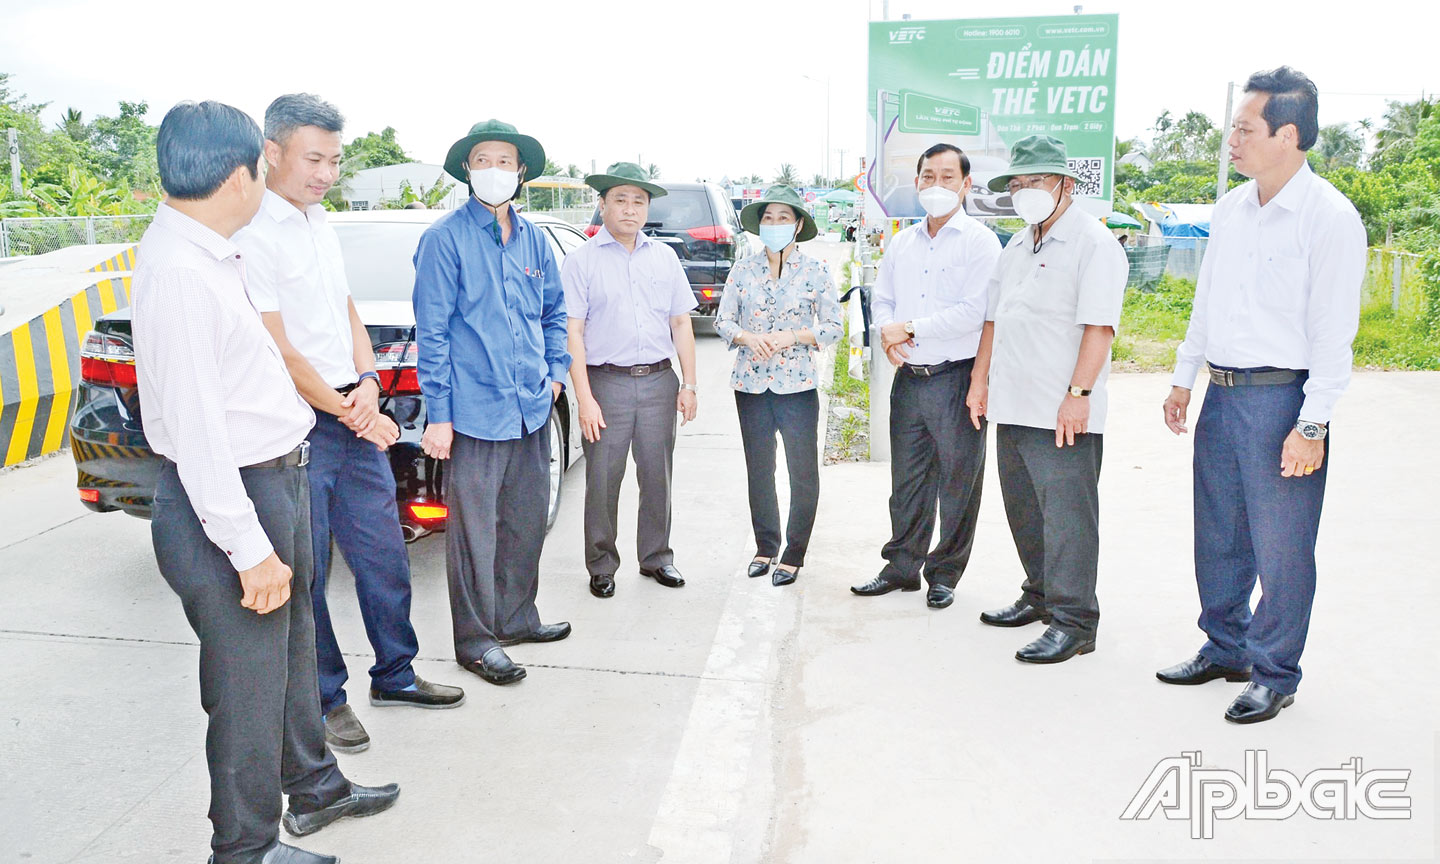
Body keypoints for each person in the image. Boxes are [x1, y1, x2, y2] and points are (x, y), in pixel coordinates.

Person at [133, 100, 397, 864]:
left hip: (274, 478)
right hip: (232, 499)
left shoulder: (215, 253)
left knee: (289, 654)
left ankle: (315, 786)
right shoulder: (182, 273)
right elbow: (198, 434)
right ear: (243, 173)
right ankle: (244, 849)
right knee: (247, 689)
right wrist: (250, 549)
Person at [235, 93, 464, 756]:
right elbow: (277, 345)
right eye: (314, 158)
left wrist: (368, 385)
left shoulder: (320, 223)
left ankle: (395, 673)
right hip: (297, 423)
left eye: (335, 160)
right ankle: (326, 696)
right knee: (306, 572)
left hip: (350, 410)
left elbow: (345, 312)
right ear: (272, 151)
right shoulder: (253, 233)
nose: (326, 172)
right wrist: (345, 407)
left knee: (383, 555)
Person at [1156, 67, 1365, 724]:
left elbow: (1335, 335)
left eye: (1245, 129)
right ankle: (1226, 646)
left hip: (1283, 399)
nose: (1233, 141)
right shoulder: (1231, 208)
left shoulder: (1329, 218)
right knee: (1219, 532)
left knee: (1281, 546)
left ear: (1290, 135)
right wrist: (1183, 378)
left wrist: (1313, 425)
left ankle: (1276, 672)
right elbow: (1207, 301)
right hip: (1222, 391)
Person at [412, 119, 571, 687]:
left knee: (525, 521)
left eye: (505, 160)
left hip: (531, 406)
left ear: (521, 171)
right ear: (467, 171)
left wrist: (556, 374)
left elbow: (555, 314)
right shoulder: (444, 239)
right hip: (475, 412)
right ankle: (477, 641)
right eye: (484, 160)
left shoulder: (533, 240)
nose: (495, 170)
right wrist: (440, 415)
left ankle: (517, 617)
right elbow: (431, 333)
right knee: (474, 534)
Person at [968, 135, 1129, 664]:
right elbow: (994, 319)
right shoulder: (1017, 244)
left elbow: (1099, 329)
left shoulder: (1093, 243)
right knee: (1025, 512)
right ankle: (1038, 595)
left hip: (1060, 410)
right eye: (1017, 184)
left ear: (1066, 184)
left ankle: (1075, 621)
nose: (1024, 192)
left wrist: (1078, 395)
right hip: (1011, 404)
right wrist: (979, 381)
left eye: (1035, 181)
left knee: (1068, 521)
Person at [852, 143, 1001, 610]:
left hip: (956, 377)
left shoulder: (980, 242)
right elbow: (885, 298)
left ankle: (944, 573)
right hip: (910, 379)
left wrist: (910, 328)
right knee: (908, 479)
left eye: (947, 176)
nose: (937, 185)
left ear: (966, 184)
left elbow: (974, 312)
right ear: (916, 182)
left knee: (959, 480)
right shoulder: (902, 242)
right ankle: (901, 567)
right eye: (928, 176)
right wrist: (889, 334)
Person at [561, 162, 698, 599]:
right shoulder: (582, 261)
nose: (630, 209)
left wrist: (689, 383)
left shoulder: (664, 258)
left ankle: (657, 557)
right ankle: (601, 564)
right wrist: (584, 398)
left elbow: (680, 323)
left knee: (658, 476)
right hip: (607, 383)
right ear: (602, 205)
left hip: (659, 381)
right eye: (620, 199)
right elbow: (573, 334)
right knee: (603, 478)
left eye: (639, 201)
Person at [714, 185, 843, 586]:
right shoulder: (743, 270)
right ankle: (765, 547)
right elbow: (722, 321)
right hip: (750, 385)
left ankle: (793, 553)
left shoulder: (816, 271)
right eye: (767, 218)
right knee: (760, 470)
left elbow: (833, 327)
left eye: (782, 218)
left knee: (801, 472)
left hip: (798, 386)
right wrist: (746, 338)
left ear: (798, 224)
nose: (774, 225)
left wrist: (794, 336)